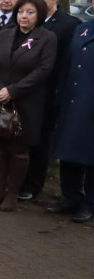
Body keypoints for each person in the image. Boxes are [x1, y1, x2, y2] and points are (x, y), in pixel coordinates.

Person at [0, 0, 57, 211]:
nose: (24, 16)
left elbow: (43, 70)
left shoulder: (47, 38)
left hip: (27, 102)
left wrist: (13, 91)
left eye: (30, 12)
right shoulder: (4, 34)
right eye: (21, 11)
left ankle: (12, 194)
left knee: (19, 150)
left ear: (39, 15)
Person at [20, 0, 81, 201]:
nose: (38, 2)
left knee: (42, 141)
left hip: (49, 91)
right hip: (26, 90)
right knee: (22, 137)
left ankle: (34, 185)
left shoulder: (69, 25)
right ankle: (19, 181)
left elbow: (67, 62)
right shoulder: (32, 20)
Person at [48, 17, 94, 223]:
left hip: (90, 103)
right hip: (73, 101)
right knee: (68, 152)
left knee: (91, 157)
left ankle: (89, 204)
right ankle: (71, 197)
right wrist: (59, 97)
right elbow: (67, 66)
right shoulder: (82, 29)